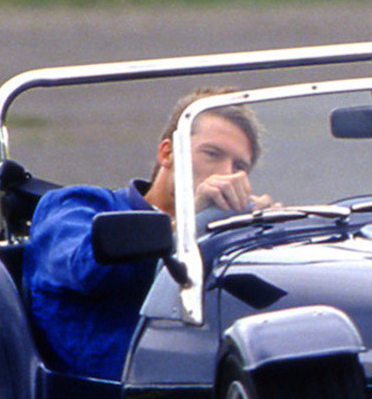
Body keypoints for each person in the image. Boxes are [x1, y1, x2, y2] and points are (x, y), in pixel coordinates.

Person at [23, 87, 264, 379]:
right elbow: (87, 269)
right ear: (168, 153)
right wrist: (189, 221)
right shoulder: (76, 205)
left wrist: (264, 232)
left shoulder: (227, 233)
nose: (226, 173)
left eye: (239, 166)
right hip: (109, 394)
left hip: (209, 382)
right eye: (212, 154)